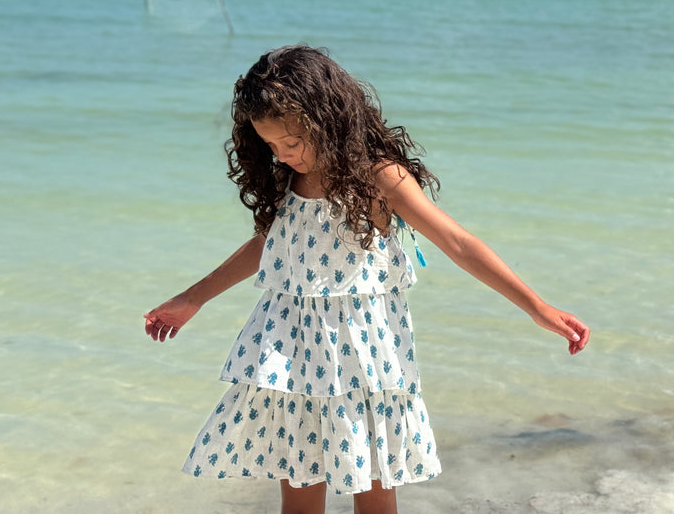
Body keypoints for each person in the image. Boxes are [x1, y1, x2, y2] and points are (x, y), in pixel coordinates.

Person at [144, 45, 590, 514]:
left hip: (365, 357)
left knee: (374, 496)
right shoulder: (287, 179)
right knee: (297, 494)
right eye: (270, 145)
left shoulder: (379, 177)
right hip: (291, 354)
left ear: (324, 119)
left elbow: (458, 243)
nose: (282, 154)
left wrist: (538, 307)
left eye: (291, 142)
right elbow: (269, 246)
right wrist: (192, 299)